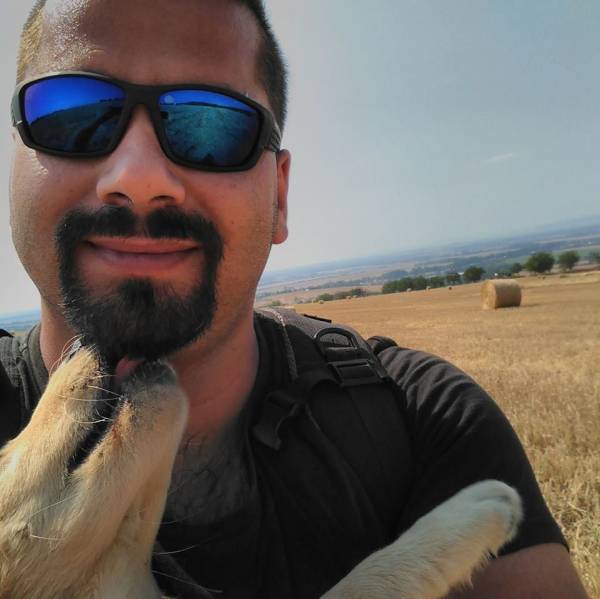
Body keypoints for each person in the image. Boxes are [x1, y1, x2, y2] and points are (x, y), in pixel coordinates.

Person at [1, 0, 589, 597]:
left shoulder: (428, 422)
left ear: (279, 198)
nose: (138, 176)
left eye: (213, 125)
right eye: (73, 115)